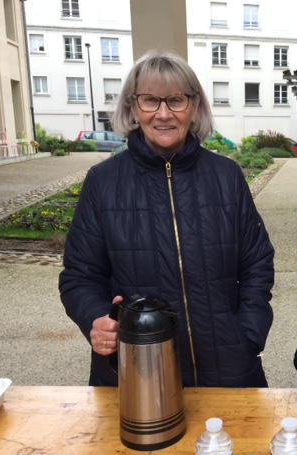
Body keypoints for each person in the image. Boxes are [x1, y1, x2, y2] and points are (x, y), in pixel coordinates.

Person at [59, 50, 275, 388]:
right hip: (138, 369)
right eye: (150, 101)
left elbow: (257, 264)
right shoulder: (103, 182)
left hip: (229, 366)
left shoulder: (226, 176)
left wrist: (247, 333)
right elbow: (80, 276)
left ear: (194, 106)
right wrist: (96, 318)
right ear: (132, 107)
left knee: (235, 441)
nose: (163, 114)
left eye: (176, 100)